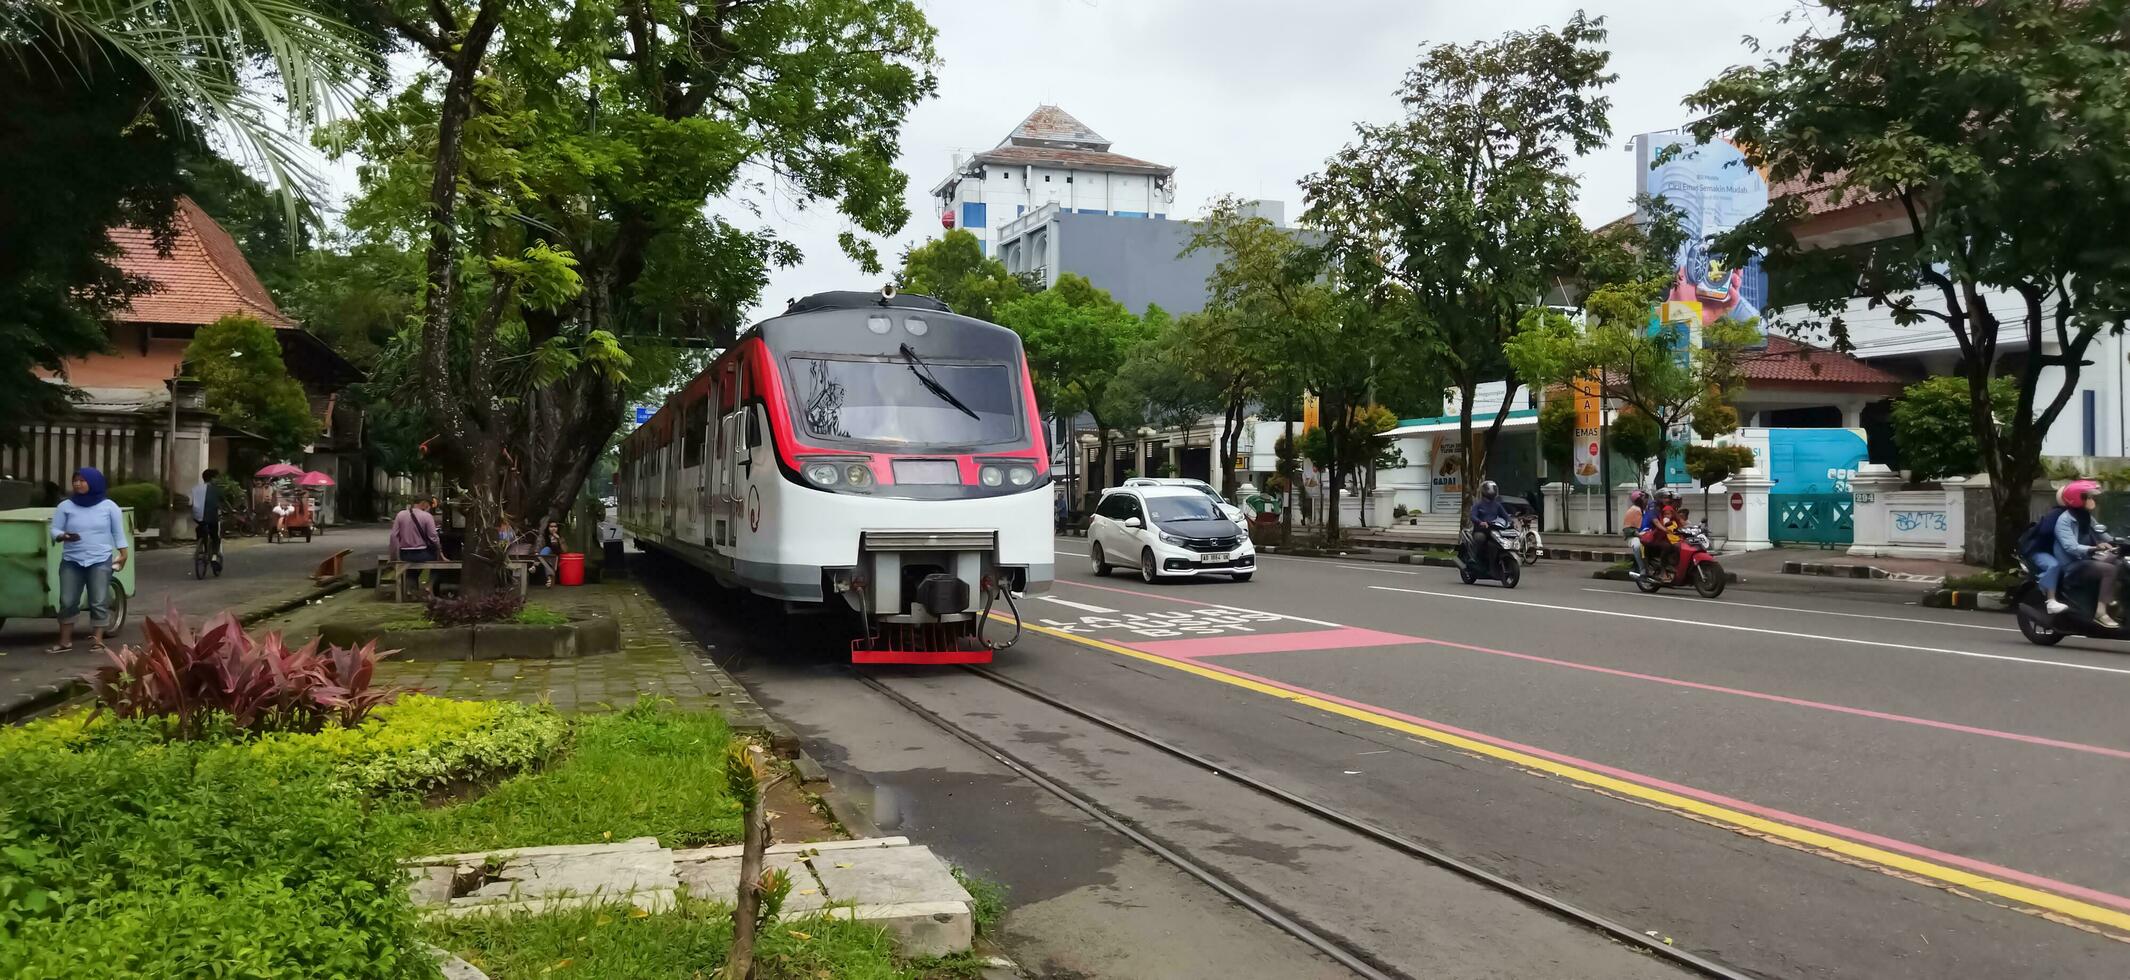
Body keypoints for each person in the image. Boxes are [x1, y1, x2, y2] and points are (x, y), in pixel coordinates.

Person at [47, 467, 130, 653]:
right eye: (75, 480)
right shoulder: (65, 506)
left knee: (98, 600)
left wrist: (124, 554)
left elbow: (118, 534)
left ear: (94, 483)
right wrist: (63, 536)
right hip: (71, 561)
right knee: (67, 600)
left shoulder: (109, 507)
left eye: (82, 480)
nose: (77, 484)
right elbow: (54, 530)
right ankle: (64, 641)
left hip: (100, 560)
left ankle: (98, 640)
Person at [2042, 480, 2118, 625]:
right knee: (2109, 570)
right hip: (2072, 564)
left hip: (2086, 559)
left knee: (2118, 561)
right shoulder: (2065, 520)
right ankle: (2100, 612)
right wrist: (2096, 548)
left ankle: (2111, 598)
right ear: (2077, 499)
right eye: (2088, 497)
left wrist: (2119, 542)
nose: (2091, 500)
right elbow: (2071, 547)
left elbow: (2103, 534)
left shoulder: (2086, 517)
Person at [1466, 480, 1509, 566]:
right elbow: (1473, 516)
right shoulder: (1478, 504)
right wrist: (1480, 522)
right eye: (1490, 489)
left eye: (1493, 489)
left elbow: (1505, 516)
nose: (1492, 491)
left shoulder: (1497, 505)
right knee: (1480, 538)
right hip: (1481, 530)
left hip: (1494, 529)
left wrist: (1512, 522)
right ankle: (1473, 558)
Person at [390, 496, 444, 562]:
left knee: (411, 568)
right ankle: (435, 572)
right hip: (422, 553)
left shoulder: (400, 514)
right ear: (424, 503)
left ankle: (412, 572)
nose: (429, 507)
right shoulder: (427, 516)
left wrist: (393, 556)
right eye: (429, 504)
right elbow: (433, 536)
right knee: (436, 559)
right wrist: (439, 549)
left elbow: (393, 536)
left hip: (404, 554)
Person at [190, 468, 223, 563]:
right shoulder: (216, 489)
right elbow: (224, 502)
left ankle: (201, 548)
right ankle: (214, 556)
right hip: (212, 517)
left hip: (198, 517)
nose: (218, 480)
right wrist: (231, 510)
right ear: (212, 479)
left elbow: (191, 503)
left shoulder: (195, 489)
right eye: (217, 478)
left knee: (200, 529)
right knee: (215, 536)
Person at [1622, 490, 1649, 576]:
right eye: (1645, 498)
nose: (1647, 500)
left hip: (1646, 534)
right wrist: (1638, 534)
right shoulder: (1633, 510)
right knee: (1637, 546)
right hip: (1634, 537)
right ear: (1639, 500)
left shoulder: (1646, 510)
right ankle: (1642, 569)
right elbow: (1627, 529)